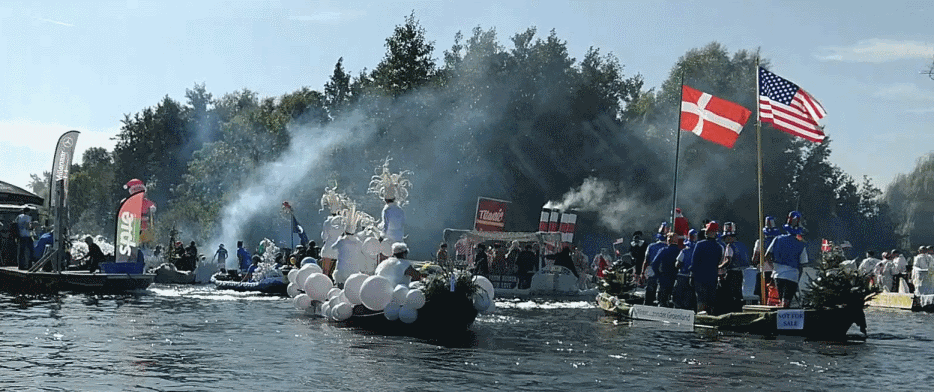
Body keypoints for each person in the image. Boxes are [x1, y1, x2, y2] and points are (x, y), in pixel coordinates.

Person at [766, 213, 809, 308]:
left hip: (778, 274)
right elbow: (803, 264)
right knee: (787, 301)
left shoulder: (777, 239)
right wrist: (798, 277)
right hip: (793, 275)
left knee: (781, 299)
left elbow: (767, 255)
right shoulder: (801, 245)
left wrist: (773, 267)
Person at [691, 221, 723, 314]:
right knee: (711, 300)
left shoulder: (700, 245)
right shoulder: (719, 247)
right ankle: (710, 317)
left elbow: (694, 261)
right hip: (712, 277)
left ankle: (701, 317)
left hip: (700, 277)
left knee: (701, 298)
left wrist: (692, 275)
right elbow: (718, 262)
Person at [720, 222, 750, 313]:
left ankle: (732, 312)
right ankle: (739, 310)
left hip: (732, 273)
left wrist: (719, 267)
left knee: (731, 294)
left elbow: (728, 260)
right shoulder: (742, 245)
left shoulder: (729, 246)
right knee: (739, 294)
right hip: (742, 273)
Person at [752, 216, 782, 299]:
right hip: (776, 272)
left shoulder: (759, 242)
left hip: (763, 272)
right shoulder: (779, 242)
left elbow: (754, 259)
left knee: (762, 296)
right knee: (775, 296)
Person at [642, 222, 670, 305]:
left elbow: (646, 261)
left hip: (652, 273)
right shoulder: (668, 248)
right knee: (662, 296)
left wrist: (643, 273)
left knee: (649, 294)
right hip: (664, 274)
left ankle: (646, 308)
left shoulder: (651, 246)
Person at [652, 233, 681, 307]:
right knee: (675, 300)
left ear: (668, 241)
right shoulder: (680, 252)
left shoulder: (663, 250)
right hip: (675, 278)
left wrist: (658, 274)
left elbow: (654, 263)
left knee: (662, 300)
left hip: (663, 277)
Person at [673, 229, 698, 310]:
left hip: (682, 276)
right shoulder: (698, 250)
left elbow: (677, 264)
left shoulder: (684, 251)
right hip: (693, 277)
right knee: (690, 297)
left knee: (678, 296)